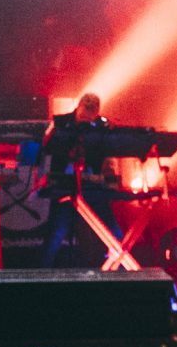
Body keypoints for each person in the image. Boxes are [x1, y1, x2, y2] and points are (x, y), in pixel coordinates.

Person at [35, 92, 126, 268]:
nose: (86, 121)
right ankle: (42, 273)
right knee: (57, 231)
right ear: (78, 108)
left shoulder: (102, 125)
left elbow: (110, 150)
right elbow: (45, 147)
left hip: (92, 183)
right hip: (64, 183)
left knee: (110, 228)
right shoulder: (60, 123)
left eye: (90, 117)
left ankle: (123, 267)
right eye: (83, 116)